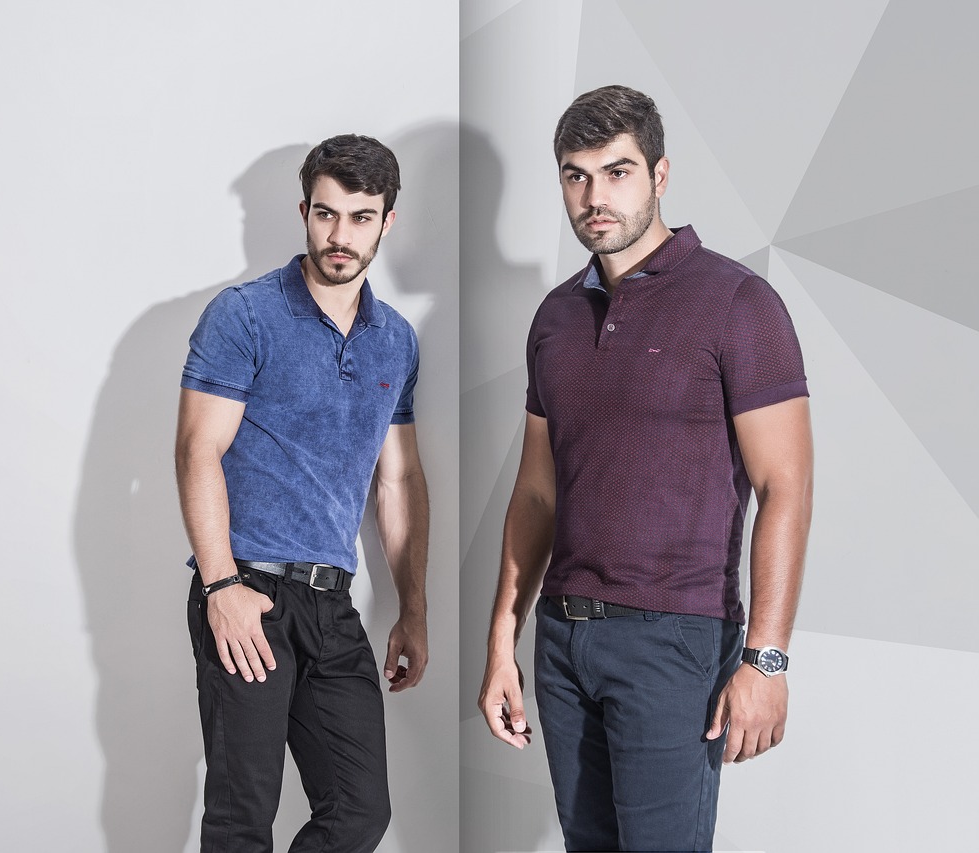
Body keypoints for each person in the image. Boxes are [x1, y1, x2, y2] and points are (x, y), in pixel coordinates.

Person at [477, 85, 813, 852]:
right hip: (563, 639)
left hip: (676, 639)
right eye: (576, 175)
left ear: (660, 174)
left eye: (617, 172)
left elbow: (784, 486)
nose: (595, 196)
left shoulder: (738, 302)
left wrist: (766, 659)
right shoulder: (555, 317)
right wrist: (502, 641)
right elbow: (537, 493)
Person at [176, 134, 430, 853]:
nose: (339, 235)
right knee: (242, 816)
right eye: (326, 214)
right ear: (304, 212)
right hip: (246, 590)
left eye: (360, 217)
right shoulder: (246, 314)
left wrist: (413, 609)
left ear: (387, 222)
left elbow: (399, 479)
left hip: (332, 605)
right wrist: (221, 585)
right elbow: (197, 449)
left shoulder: (396, 341)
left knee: (360, 810)